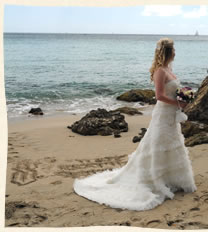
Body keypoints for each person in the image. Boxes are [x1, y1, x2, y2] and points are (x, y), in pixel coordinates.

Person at [73, 38, 196, 211]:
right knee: (158, 144)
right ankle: (155, 178)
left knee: (172, 143)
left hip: (171, 115)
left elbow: (173, 90)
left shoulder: (169, 68)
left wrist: (183, 97)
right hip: (163, 114)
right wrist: (178, 103)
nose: (175, 52)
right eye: (173, 49)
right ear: (169, 52)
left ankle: (171, 179)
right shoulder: (160, 71)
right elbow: (159, 96)